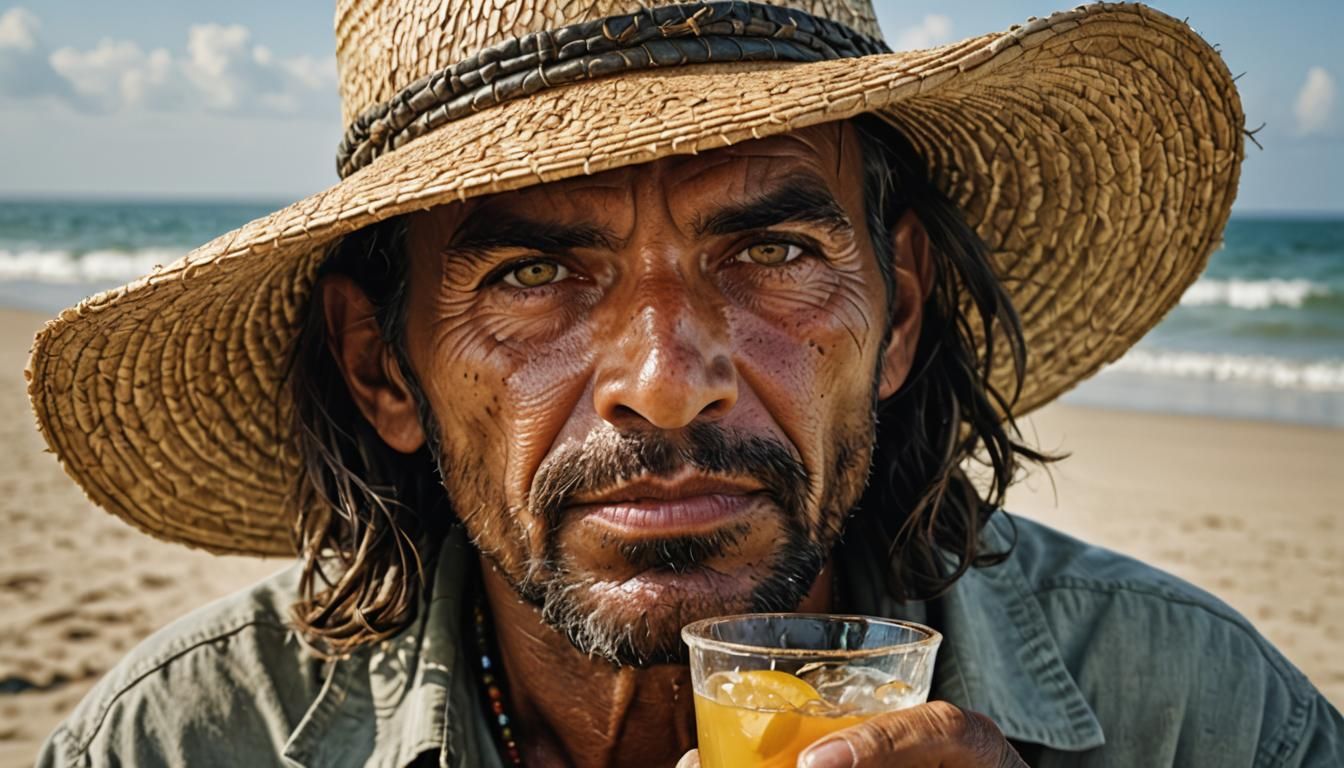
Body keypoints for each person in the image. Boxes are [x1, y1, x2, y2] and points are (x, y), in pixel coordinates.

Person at [27, 1, 1343, 766]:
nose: (666, 385)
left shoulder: (1200, 713)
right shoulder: (184, 742)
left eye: (772, 252)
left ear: (900, 310)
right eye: (536, 273)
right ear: (386, 365)